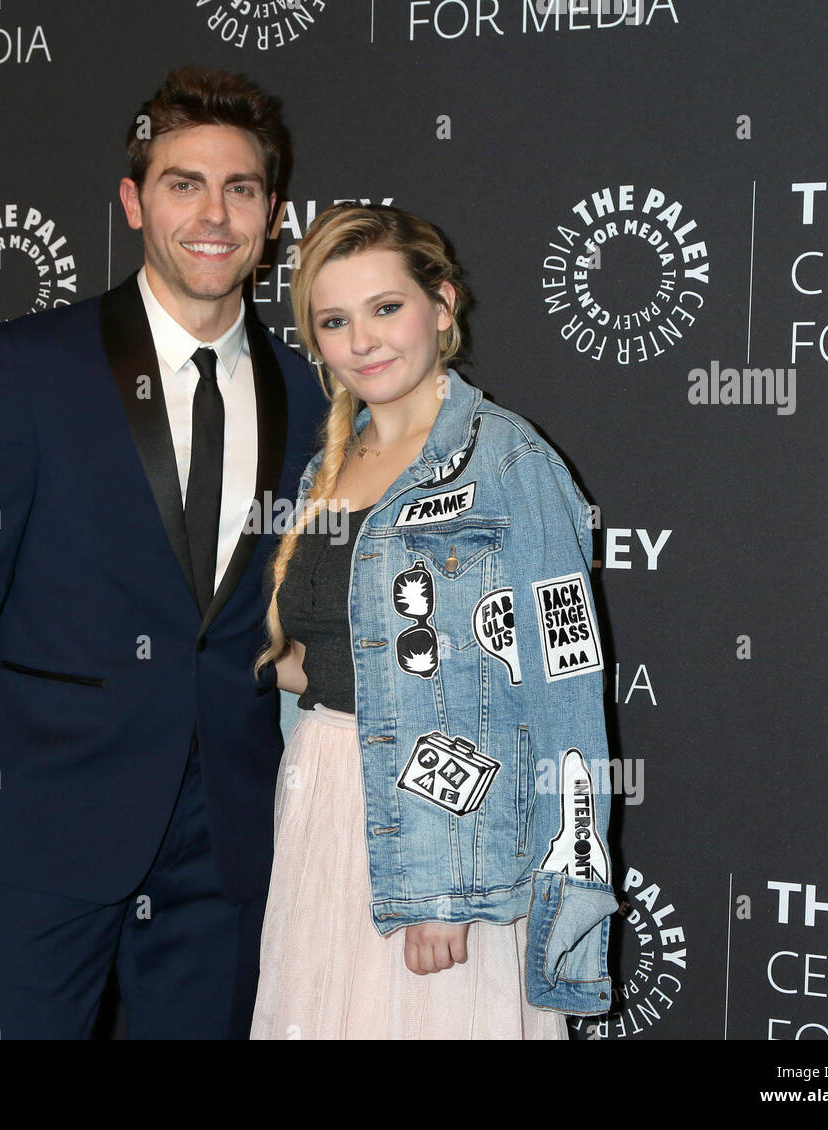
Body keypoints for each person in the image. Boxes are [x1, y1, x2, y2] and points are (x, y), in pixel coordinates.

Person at [0, 66, 324, 1039]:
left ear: (273, 214)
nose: (212, 214)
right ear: (134, 201)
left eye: (239, 188)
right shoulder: (32, 366)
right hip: (43, 828)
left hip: (228, 841)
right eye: (183, 183)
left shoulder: (309, 390)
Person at [249, 204, 618, 1039]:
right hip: (324, 810)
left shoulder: (509, 461)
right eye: (335, 321)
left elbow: (561, 695)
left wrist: (456, 883)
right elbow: (338, 663)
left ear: (442, 306)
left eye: (387, 308)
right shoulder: (326, 468)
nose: (365, 340)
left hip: (449, 846)